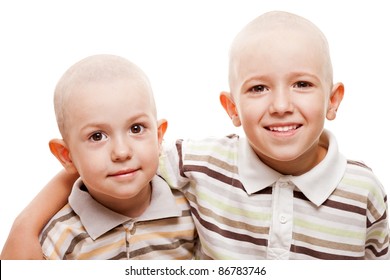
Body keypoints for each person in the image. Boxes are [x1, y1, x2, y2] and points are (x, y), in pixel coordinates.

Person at [1, 11, 388, 260]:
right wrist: (25, 223)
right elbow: (122, 159)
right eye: (258, 89)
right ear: (231, 108)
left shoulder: (364, 190)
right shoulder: (200, 164)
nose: (281, 105)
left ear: (333, 100)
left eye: (302, 83)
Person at [4, 54, 197, 260]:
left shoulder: (192, 209)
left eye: (136, 128)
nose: (122, 152)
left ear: (158, 137)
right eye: (97, 136)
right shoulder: (60, 238)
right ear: (66, 156)